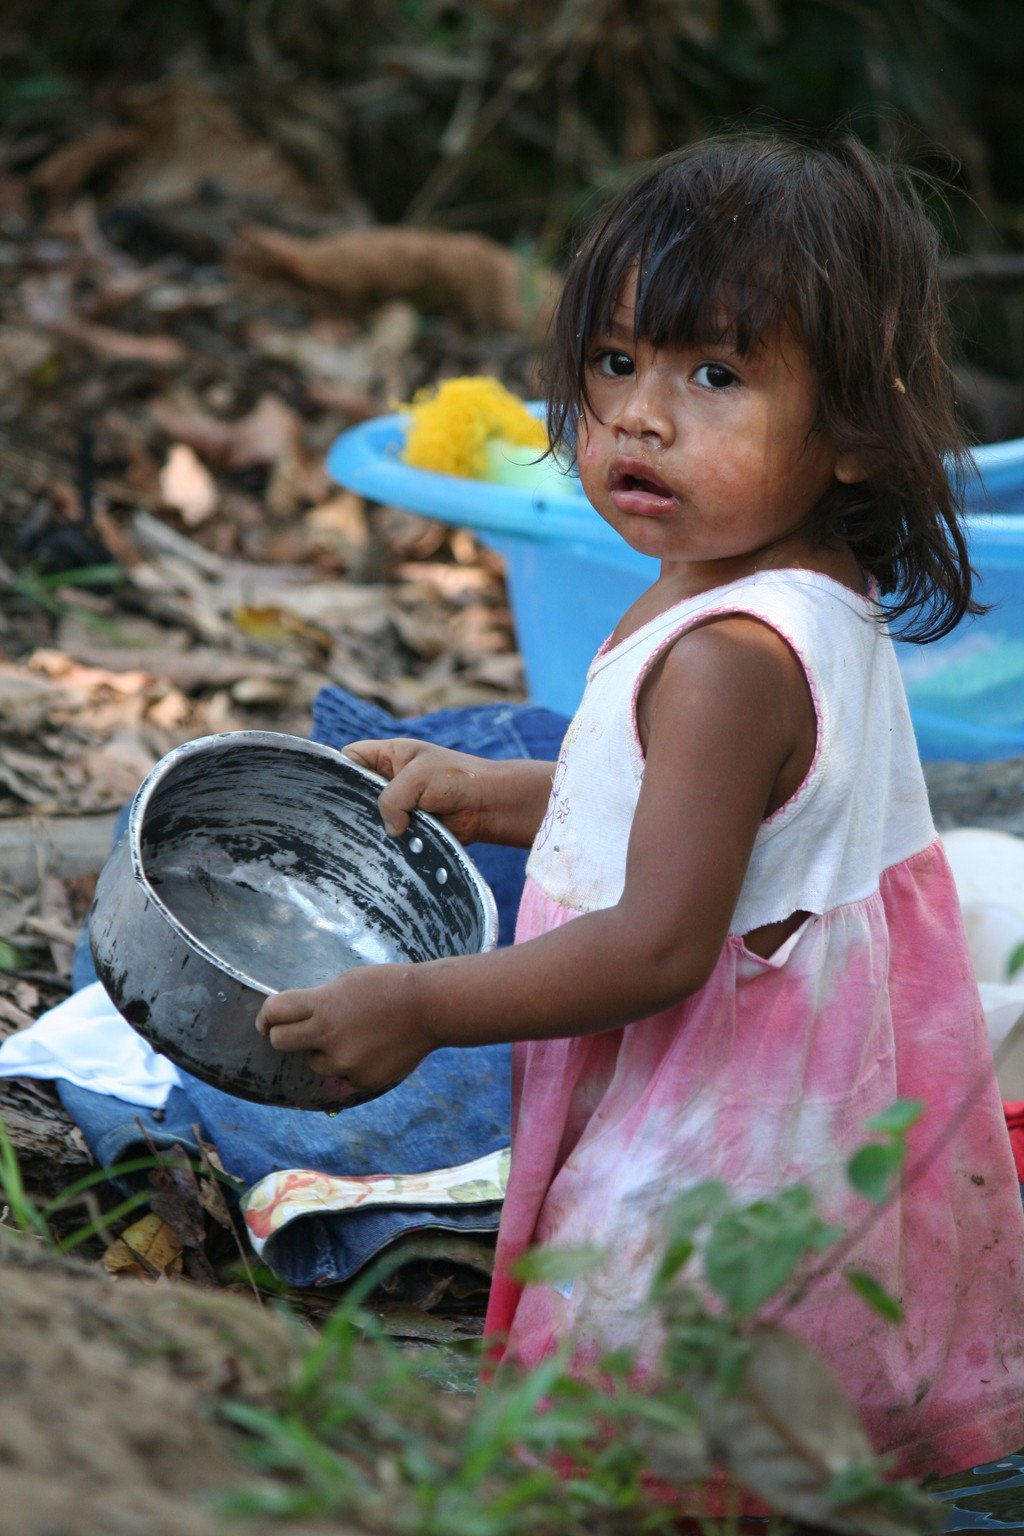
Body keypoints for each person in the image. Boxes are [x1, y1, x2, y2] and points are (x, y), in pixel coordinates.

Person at [257, 131, 1024, 1480]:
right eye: (616, 365)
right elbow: (727, 819)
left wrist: (425, 1008)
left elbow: (662, 944)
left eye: (714, 376)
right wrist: (506, 793)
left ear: (851, 427)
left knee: (635, 1432)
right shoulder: (774, 581)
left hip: (713, 1137)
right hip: (804, 1106)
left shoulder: (731, 660)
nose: (641, 418)